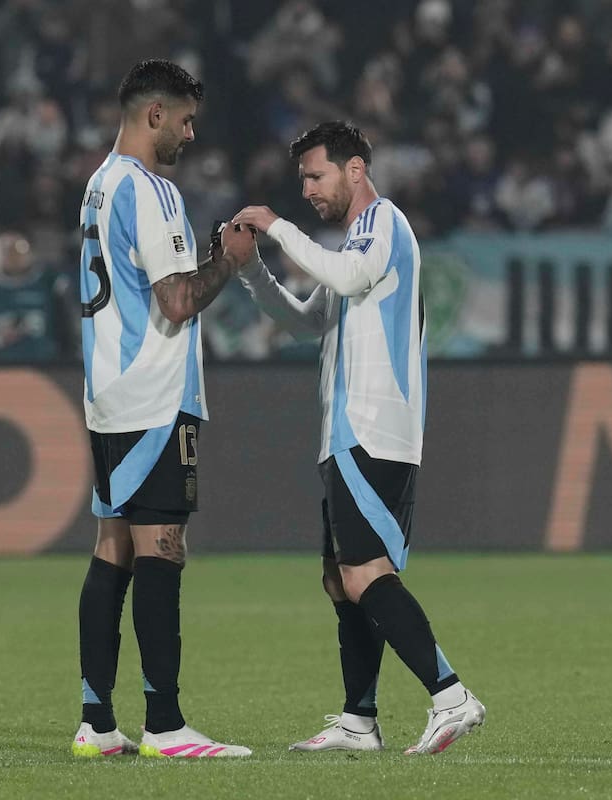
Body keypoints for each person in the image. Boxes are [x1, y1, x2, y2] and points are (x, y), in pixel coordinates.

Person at [231, 121, 486, 756]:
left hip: (373, 426)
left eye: (315, 176)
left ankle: (451, 695)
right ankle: (359, 720)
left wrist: (275, 225)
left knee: (366, 573)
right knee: (340, 577)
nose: (307, 190)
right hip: (347, 432)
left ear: (354, 169)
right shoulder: (353, 246)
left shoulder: (383, 223)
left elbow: (344, 279)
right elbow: (307, 321)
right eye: (302, 181)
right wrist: (252, 272)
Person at [71, 58, 255, 760]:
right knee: (162, 549)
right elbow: (177, 301)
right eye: (184, 119)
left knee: (112, 548)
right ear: (155, 115)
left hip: (108, 391)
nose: (191, 132)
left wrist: (203, 260)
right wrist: (229, 259)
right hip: (153, 393)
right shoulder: (152, 190)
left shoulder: (98, 184)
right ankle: (166, 724)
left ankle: (96, 721)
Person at [0, 231, 77, 362]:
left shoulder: (50, 283)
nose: (13, 255)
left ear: (31, 252)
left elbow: (70, 336)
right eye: (7, 249)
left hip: (44, 366)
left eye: (19, 249)